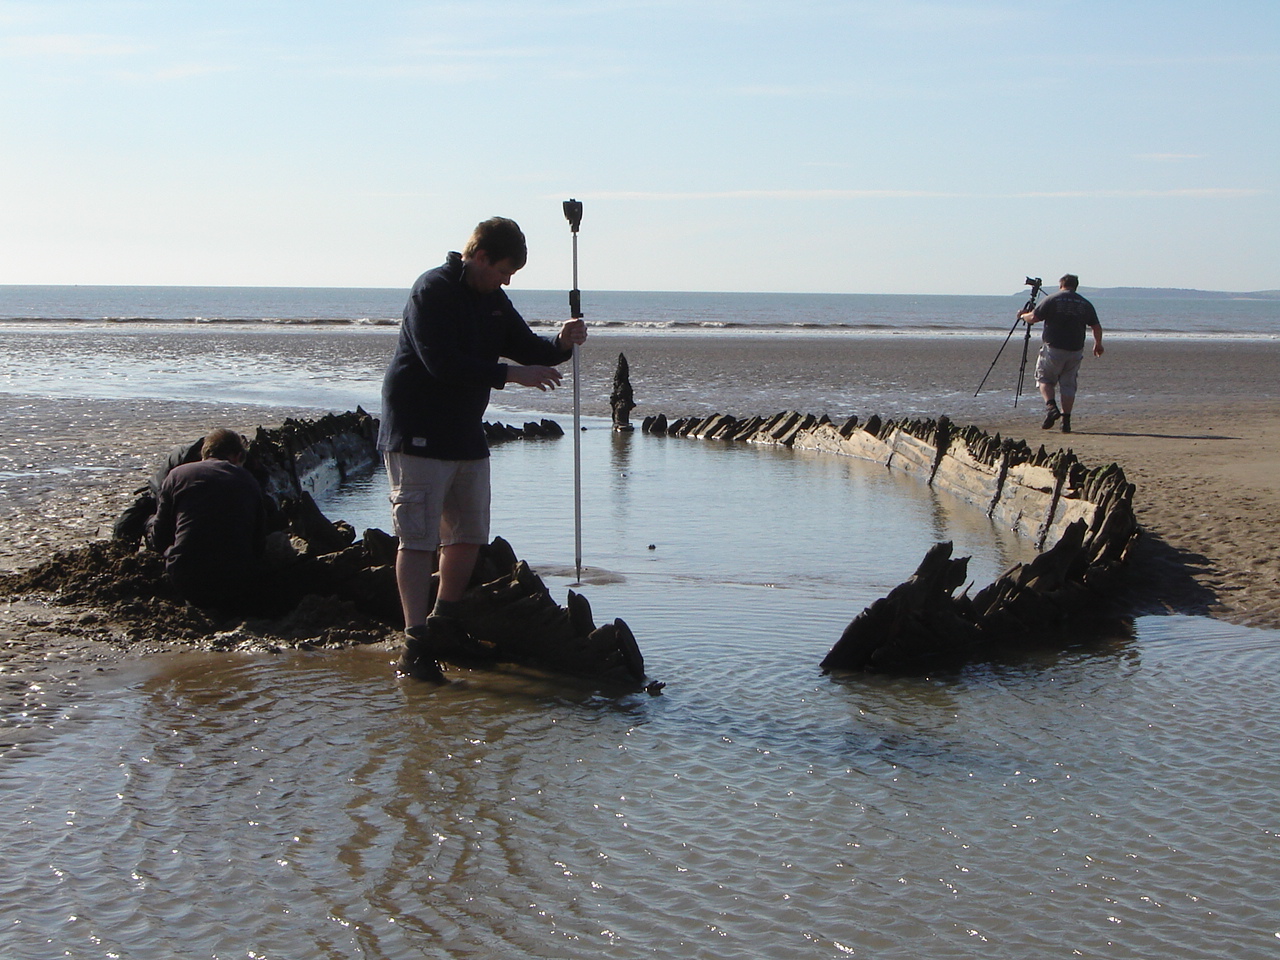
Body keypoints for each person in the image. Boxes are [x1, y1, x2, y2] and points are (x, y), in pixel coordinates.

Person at [378, 216, 587, 682]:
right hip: (417, 429)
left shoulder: (493, 299)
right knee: (417, 537)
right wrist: (511, 375)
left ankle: (445, 622)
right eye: (503, 270)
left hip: (463, 431)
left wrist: (561, 342)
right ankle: (416, 645)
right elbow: (442, 363)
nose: (507, 280)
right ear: (480, 256)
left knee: (469, 532)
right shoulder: (431, 290)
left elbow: (526, 346)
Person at [151, 428, 270, 610]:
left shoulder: (177, 475)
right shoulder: (249, 481)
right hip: (237, 584)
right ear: (238, 456)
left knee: (153, 522)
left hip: (185, 579)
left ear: (204, 454)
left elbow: (160, 536)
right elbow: (259, 543)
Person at [1020, 274, 1104, 434]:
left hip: (1053, 348)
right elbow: (1096, 326)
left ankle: (1051, 407)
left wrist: (1023, 315)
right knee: (1068, 384)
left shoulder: (1053, 299)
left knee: (1044, 378)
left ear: (1061, 285)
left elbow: (1034, 317)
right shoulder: (1085, 303)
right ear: (1075, 286)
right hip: (1075, 349)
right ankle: (1066, 420)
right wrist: (1098, 344)